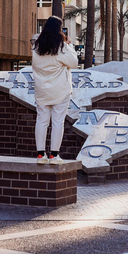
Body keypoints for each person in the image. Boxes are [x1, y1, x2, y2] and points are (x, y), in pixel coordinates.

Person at [30, 16, 78, 164]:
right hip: (60, 90)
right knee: (58, 121)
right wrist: (69, 44)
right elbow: (74, 63)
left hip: (41, 90)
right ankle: (54, 155)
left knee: (42, 121)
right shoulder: (61, 47)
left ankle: (40, 155)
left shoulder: (36, 47)